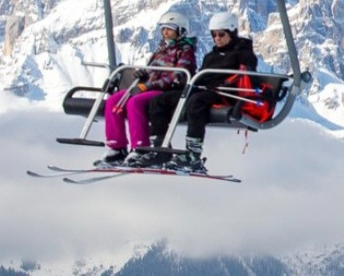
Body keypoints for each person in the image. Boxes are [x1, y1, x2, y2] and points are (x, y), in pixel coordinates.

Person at [136, 11, 258, 173]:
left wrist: (223, 83)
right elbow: (202, 76)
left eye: (221, 34)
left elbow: (246, 77)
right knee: (158, 101)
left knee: (196, 103)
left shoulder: (244, 54)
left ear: (232, 33)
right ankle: (160, 149)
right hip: (204, 89)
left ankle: (193, 155)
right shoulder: (211, 55)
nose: (217, 38)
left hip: (225, 92)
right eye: (214, 35)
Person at [99, 10, 197, 167]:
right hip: (147, 86)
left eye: (170, 29)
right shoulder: (161, 49)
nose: (165, 32)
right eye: (163, 29)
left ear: (180, 31)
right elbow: (153, 69)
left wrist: (148, 85)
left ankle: (140, 147)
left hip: (165, 91)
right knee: (113, 101)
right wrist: (143, 73)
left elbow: (177, 76)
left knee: (135, 102)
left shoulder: (185, 50)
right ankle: (116, 148)